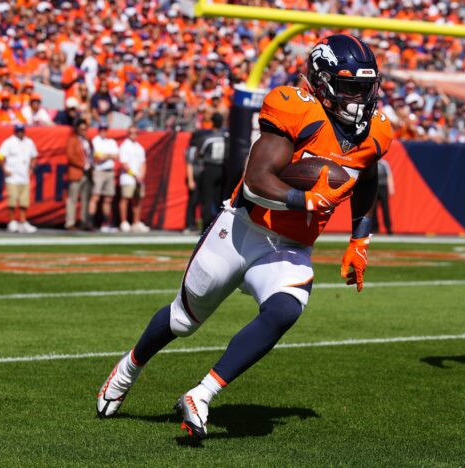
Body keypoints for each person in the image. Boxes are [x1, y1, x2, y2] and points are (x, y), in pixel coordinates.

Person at [96, 34, 392, 439]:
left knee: (286, 309)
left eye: (365, 87)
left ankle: (201, 394)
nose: (360, 98)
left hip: (290, 247)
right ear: (322, 84)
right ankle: (129, 367)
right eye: (349, 88)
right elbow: (254, 182)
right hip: (242, 229)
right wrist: (304, 200)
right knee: (183, 320)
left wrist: (360, 236)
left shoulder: (375, 129)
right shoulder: (295, 109)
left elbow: (366, 172)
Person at [0, 123, 38, 233]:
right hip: (13, 177)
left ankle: (23, 222)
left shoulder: (29, 142)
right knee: (12, 200)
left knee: (24, 201)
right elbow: (0, 155)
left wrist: (31, 168)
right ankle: (12, 222)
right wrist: (4, 169)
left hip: (24, 176)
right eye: (18, 131)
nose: (20, 133)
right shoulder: (9, 142)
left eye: (22, 130)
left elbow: (34, 156)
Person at [195, 112, 228, 231]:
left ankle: (206, 226)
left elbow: (200, 154)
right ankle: (220, 226)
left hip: (210, 168)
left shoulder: (208, 138)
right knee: (220, 199)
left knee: (207, 199)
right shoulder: (226, 137)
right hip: (223, 168)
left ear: (212, 123)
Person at [118, 126, 150, 233]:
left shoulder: (139, 147)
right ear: (128, 133)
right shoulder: (124, 146)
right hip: (128, 178)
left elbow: (143, 163)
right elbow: (124, 164)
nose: (133, 134)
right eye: (131, 132)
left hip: (138, 178)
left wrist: (142, 175)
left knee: (138, 200)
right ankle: (124, 222)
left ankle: (136, 222)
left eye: (135, 132)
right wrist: (134, 175)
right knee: (126, 198)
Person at [89, 122, 119, 232]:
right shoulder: (95, 141)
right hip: (99, 171)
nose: (103, 131)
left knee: (108, 198)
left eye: (105, 129)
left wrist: (105, 156)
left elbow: (116, 156)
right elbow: (97, 157)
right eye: (101, 129)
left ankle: (106, 223)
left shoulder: (111, 141)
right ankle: (90, 222)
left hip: (109, 171)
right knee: (95, 197)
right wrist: (108, 155)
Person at [65, 119, 93, 230]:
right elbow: (70, 156)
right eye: (81, 129)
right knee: (73, 199)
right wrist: (83, 165)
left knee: (85, 199)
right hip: (77, 172)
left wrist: (91, 164)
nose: (83, 131)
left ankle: (83, 221)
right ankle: (70, 222)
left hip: (87, 173)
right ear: (77, 129)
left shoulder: (88, 141)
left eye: (85, 129)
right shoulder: (73, 140)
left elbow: (90, 155)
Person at [183, 128, 207, 234]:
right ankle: (189, 224)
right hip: (195, 177)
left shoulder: (197, 148)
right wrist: (191, 180)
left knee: (199, 201)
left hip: (200, 177)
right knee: (193, 201)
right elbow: (189, 165)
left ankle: (195, 224)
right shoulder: (192, 149)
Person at [373, 158, 394, 235]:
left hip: (383, 187)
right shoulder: (372, 162)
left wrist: (391, 187)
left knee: (385, 208)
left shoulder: (384, 163)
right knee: (373, 209)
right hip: (374, 187)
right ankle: (374, 228)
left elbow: (389, 175)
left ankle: (388, 227)